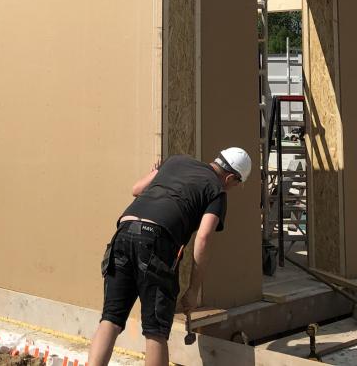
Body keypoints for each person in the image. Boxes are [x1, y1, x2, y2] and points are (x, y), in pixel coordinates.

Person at [87, 148, 252, 366]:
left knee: (111, 319)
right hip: (155, 242)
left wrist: (158, 173)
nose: (233, 188)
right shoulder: (217, 191)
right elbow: (202, 238)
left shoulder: (176, 162)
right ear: (230, 177)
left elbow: (136, 190)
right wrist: (193, 290)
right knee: (155, 330)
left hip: (123, 233)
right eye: (236, 184)